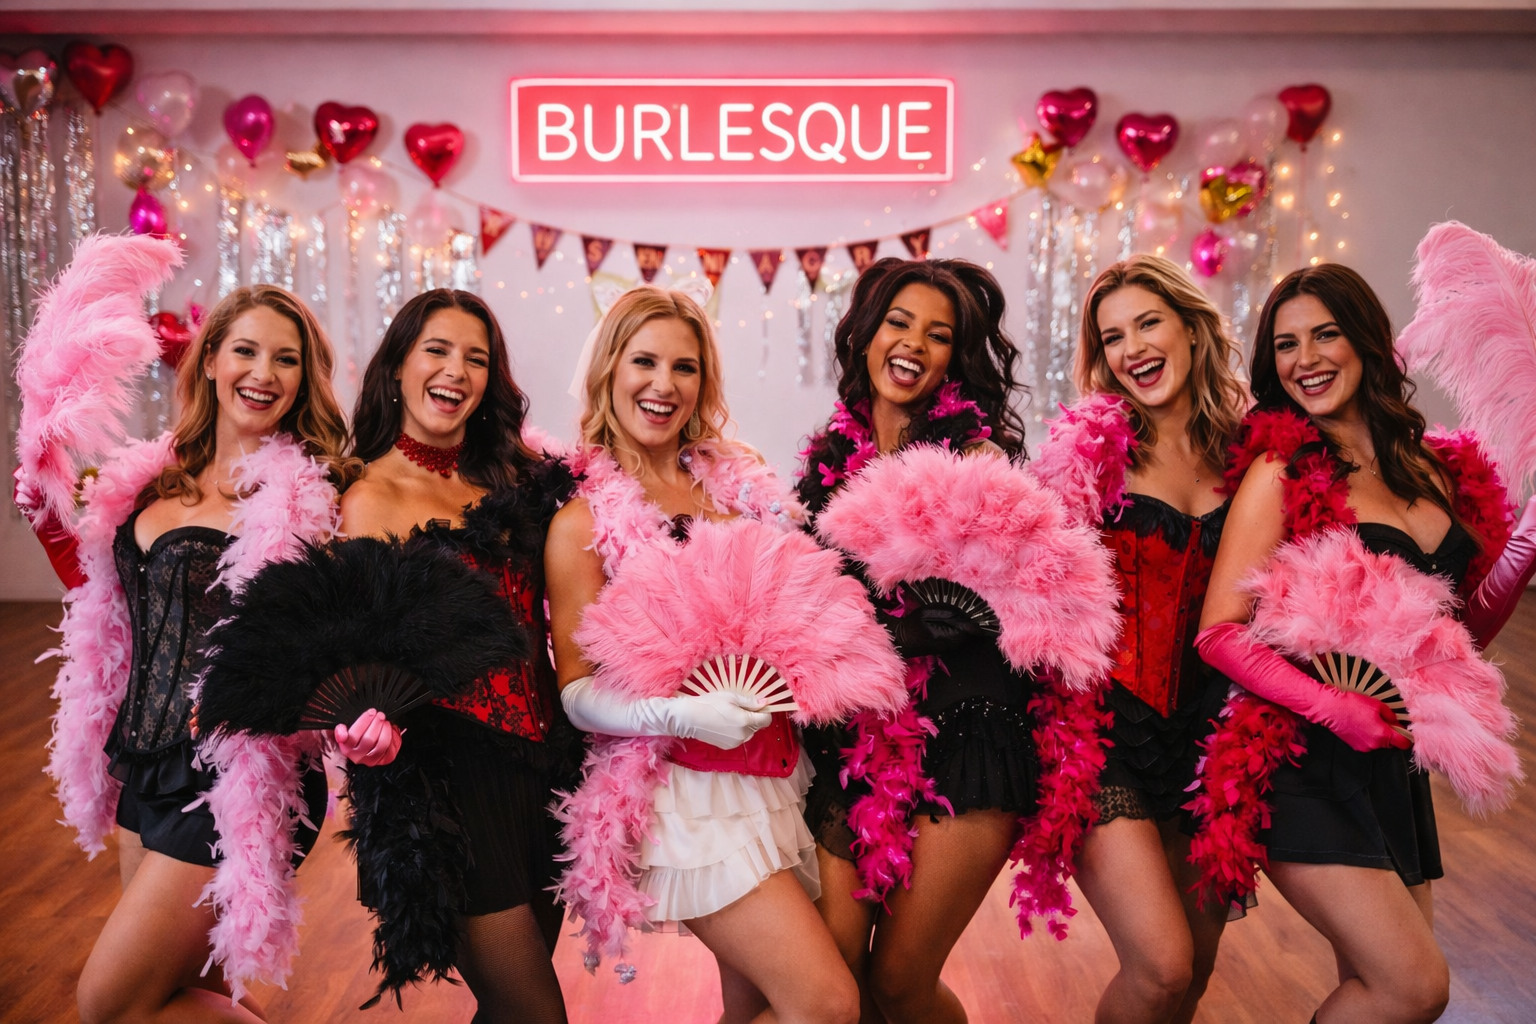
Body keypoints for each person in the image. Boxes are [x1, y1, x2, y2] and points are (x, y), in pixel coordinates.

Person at [16, 245, 353, 1023]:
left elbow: (326, 639)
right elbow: (113, 603)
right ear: (209, 361)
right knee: (165, 997)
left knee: (110, 1001)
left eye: (286, 359)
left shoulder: (310, 497)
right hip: (144, 760)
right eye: (245, 350)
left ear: (305, 379)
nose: (263, 372)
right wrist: (46, 515)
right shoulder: (152, 475)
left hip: (230, 777)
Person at [1193, 264, 1530, 1024]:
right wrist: (1329, 707)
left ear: (1367, 341)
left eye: (1324, 334)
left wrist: (1524, 547)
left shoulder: (1435, 467)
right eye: (1285, 345)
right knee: (1414, 986)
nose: (1305, 358)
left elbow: (1457, 635)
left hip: (1392, 763)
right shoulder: (1282, 473)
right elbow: (1219, 632)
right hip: (1300, 757)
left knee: (1389, 998)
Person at [798, 257, 1111, 1024]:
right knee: (838, 973)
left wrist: (970, 620)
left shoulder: (977, 460)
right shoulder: (827, 469)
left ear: (954, 360)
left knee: (901, 984)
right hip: (854, 743)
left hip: (969, 736)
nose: (913, 345)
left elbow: (1046, 607)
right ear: (865, 334)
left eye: (938, 336)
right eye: (898, 323)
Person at [547, 284, 862, 1024]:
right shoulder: (580, 521)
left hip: (777, 771)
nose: (663, 385)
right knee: (826, 1003)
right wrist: (683, 712)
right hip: (683, 792)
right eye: (644, 362)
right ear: (608, 370)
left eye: (684, 367)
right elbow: (575, 688)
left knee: (752, 1008)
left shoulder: (738, 483)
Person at [337, 288, 578, 1022]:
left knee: (509, 1009)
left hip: (546, 767)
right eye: (437, 350)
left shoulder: (520, 477)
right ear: (399, 365)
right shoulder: (364, 496)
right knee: (537, 1014)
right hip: (446, 788)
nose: (456, 371)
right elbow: (351, 652)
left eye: (477, 358)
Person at [1031, 255, 1246, 1024]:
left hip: (1215, 740)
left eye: (1148, 323)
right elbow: (1035, 584)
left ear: (1192, 328)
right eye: (1112, 335)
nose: (1132, 348)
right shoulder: (1092, 454)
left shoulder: (1250, 453)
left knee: (1190, 976)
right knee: (1159, 967)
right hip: (1105, 734)